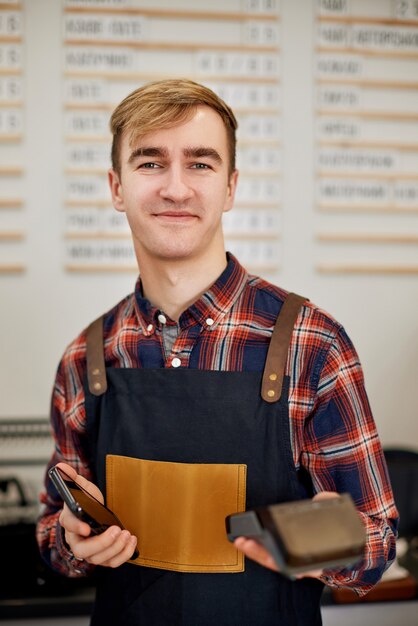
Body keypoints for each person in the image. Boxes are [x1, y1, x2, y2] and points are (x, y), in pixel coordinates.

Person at [37, 79, 398, 626]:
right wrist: (69, 540)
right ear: (116, 187)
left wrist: (331, 538)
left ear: (230, 188)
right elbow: (51, 533)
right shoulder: (85, 359)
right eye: (150, 163)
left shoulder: (313, 344)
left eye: (200, 164)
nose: (176, 188)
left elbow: (377, 542)